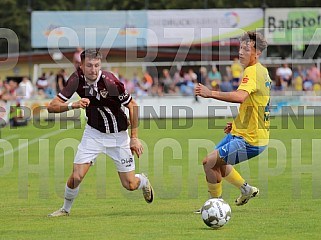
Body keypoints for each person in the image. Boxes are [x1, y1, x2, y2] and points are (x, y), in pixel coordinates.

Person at [47, 49, 154, 217]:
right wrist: (72, 105)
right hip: (93, 134)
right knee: (76, 176)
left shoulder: (110, 82)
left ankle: (144, 181)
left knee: (130, 184)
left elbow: (132, 105)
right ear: (81, 66)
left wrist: (134, 138)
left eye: (97, 65)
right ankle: (65, 209)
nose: (93, 69)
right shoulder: (76, 80)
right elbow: (51, 107)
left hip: (118, 136)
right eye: (89, 65)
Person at [194, 31, 271, 212]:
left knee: (209, 162)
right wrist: (238, 122)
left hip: (250, 139)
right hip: (244, 131)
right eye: (240, 48)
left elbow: (240, 97)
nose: (241, 52)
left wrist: (209, 93)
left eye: (246, 49)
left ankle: (216, 208)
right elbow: (260, 102)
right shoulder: (262, 71)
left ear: (257, 53)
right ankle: (246, 190)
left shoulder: (252, 72)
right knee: (217, 164)